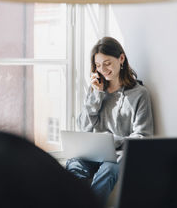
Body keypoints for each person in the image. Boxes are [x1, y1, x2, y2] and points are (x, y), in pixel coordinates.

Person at [66, 37, 154, 206]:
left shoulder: (139, 94)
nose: (102, 69)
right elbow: (83, 126)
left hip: (118, 156)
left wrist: (112, 141)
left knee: (108, 170)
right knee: (73, 166)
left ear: (121, 59)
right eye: (98, 65)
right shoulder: (96, 90)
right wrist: (96, 95)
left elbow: (144, 135)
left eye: (107, 63)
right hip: (93, 153)